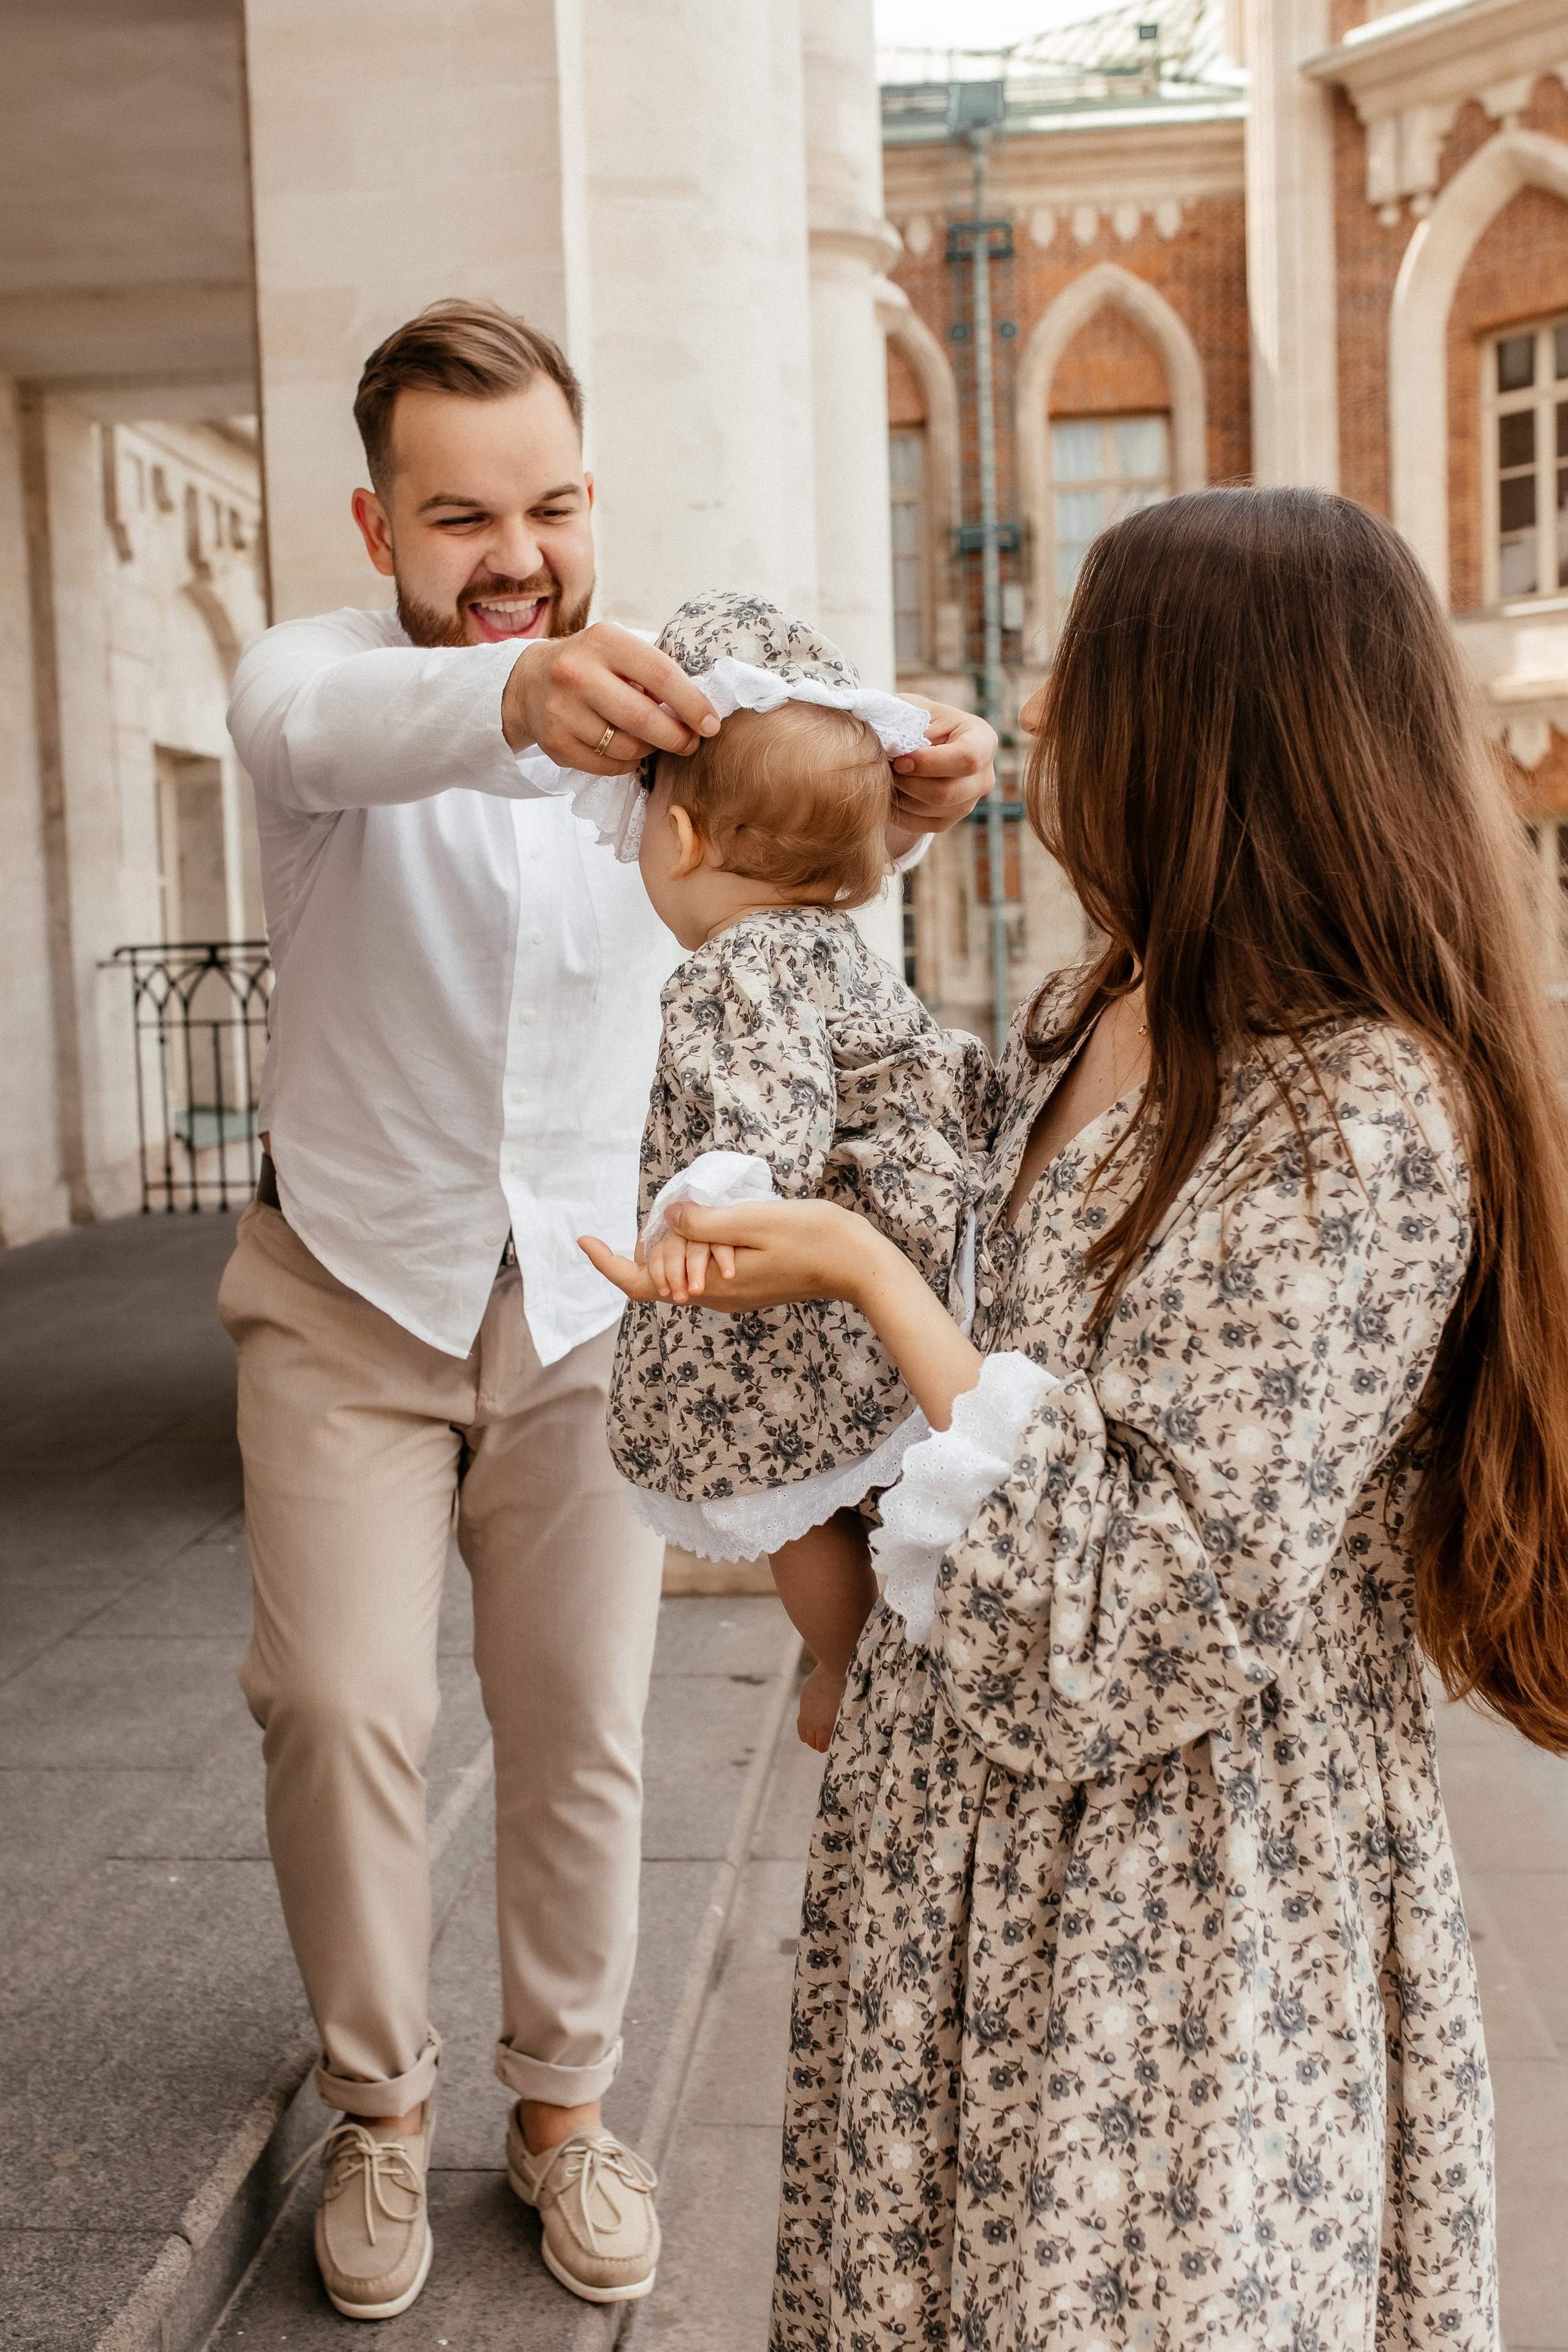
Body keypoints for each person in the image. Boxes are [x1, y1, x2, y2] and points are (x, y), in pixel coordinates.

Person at [592, 488, 1568, 2350]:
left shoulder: (1358, 1117)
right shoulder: (1094, 1005)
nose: (1033, 722)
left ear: (1203, 727)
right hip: (947, 1865)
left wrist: (872, 1284)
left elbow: (1150, 1612)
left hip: (1176, 1916)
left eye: (1074, 682)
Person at [218, 297, 997, 2321]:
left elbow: (828, 763)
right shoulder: (315, 680)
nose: (517, 554)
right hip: (345, 1299)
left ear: (591, 498)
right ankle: (377, 2112)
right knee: (341, 1705)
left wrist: (911, 785)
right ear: (375, 521)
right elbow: (344, 733)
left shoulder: (664, 687)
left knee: (583, 1734)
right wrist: (522, 694)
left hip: (577, 1315)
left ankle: (564, 2109)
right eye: (462, 514)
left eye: (553, 505)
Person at [573, 590, 987, 1751]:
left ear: (685, 837)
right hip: (904, 1262)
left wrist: (704, 1211)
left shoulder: (731, 967)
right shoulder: (831, 940)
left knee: (786, 1499)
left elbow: (761, 1115)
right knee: (856, 1480)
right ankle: (879, 1652)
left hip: (800, 1286)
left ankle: (843, 1668)